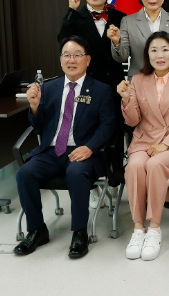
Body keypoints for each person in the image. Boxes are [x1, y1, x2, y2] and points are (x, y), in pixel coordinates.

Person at [13, 36, 115, 258]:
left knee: (76, 173)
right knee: (24, 174)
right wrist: (34, 106)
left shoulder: (101, 90)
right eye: (67, 55)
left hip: (82, 151)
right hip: (51, 151)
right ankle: (37, 230)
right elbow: (38, 125)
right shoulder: (48, 88)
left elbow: (108, 126)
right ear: (60, 60)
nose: (71, 60)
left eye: (77, 55)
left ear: (87, 60)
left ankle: (79, 232)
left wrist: (90, 148)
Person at [117, 31, 169, 261]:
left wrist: (166, 145)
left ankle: (154, 229)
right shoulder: (137, 81)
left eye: (164, 49)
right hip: (144, 140)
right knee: (134, 167)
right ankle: (138, 228)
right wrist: (126, 99)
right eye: (154, 50)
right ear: (147, 55)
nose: (159, 55)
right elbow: (133, 121)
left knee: (154, 165)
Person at [57, 0, 124, 210]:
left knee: (115, 131)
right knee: (86, 131)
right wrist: (71, 11)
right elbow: (63, 41)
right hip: (86, 84)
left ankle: (115, 179)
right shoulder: (75, 16)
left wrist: (117, 41)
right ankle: (91, 186)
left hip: (114, 84)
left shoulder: (119, 16)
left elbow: (124, 50)